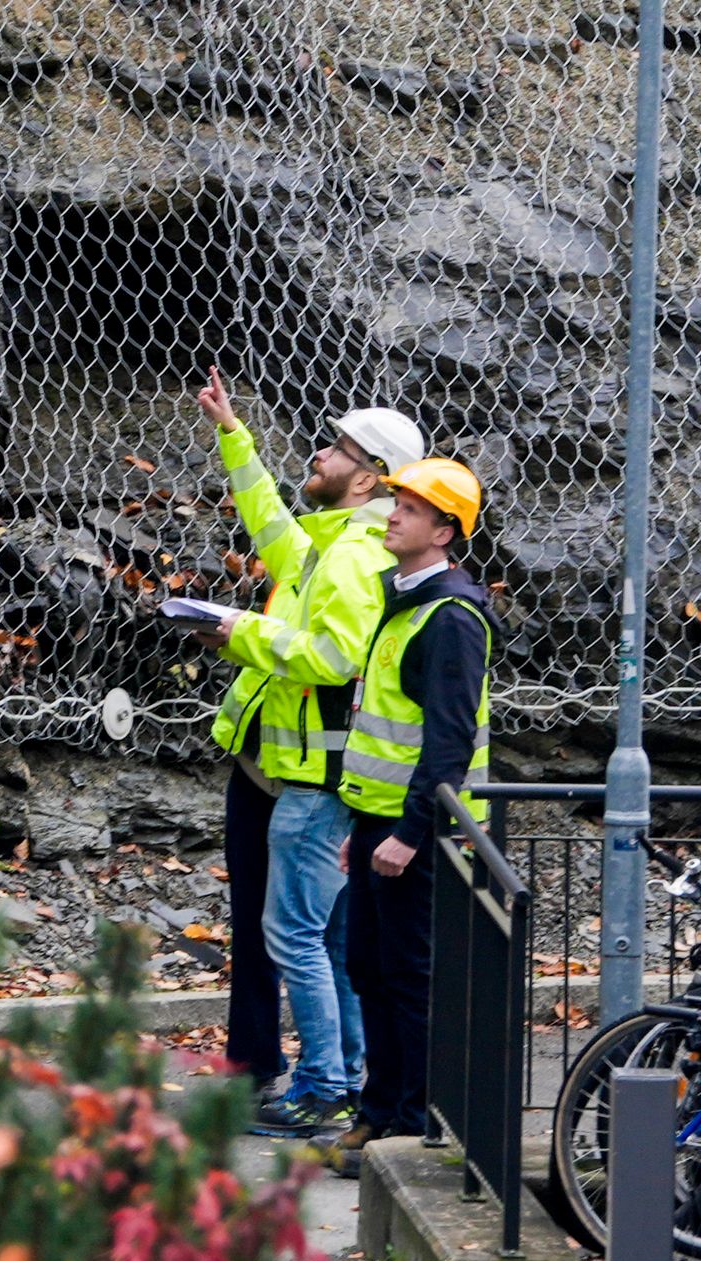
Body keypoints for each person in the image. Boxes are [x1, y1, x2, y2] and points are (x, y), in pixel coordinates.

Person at [192, 366, 424, 1136]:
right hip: (286, 770)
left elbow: (331, 656)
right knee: (320, 935)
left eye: (336, 449)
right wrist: (235, 437)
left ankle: (324, 1085)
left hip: (313, 778)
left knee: (296, 933)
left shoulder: (355, 558)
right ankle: (344, 1079)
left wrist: (237, 632)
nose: (319, 456)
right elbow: (271, 529)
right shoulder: (333, 546)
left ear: (370, 480)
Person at [314, 458, 494, 1170]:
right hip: (377, 823)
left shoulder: (450, 618)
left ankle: (411, 1125)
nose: (393, 515)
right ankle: (380, 1110)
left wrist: (411, 834)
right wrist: (365, 830)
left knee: (411, 979)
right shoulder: (407, 600)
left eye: (411, 509)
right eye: (396, 504)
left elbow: (447, 743)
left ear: (444, 531)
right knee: (371, 969)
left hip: (420, 833)